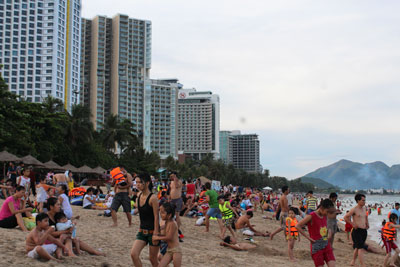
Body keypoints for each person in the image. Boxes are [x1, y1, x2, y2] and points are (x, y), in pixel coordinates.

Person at [295, 199, 336, 267]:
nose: (327, 213)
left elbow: (324, 226)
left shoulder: (325, 215)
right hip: (316, 246)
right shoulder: (311, 216)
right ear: (322, 208)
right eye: (327, 211)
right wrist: (308, 237)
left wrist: (329, 232)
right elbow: (297, 226)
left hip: (326, 244)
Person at [131, 173, 160, 267]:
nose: (138, 184)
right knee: (134, 254)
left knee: (153, 259)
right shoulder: (138, 195)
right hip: (142, 231)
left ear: (147, 183)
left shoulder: (153, 198)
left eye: (140, 182)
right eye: (136, 182)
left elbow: (156, 216)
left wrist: (156, 233)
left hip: (153, 232)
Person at [153, 202, 182, 267]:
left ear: (169, 215)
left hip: (176, 250)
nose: (161, 214)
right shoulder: (167, 222)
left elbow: (169, 237)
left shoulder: (172, 223)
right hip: (169, 250)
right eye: (160, 212)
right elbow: (163, 233)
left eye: (163, 213)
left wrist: (157, 238)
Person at [344, 193, 369, 267]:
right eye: (363, 200)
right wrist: (352, 224)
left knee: (358, 247)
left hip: (364, 231)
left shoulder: (364, 208)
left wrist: (367, 223)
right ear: (358, 201)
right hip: (357, 231)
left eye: (365, 200)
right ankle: (363, 265)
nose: (364, 202)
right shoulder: (354, 209)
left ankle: (353, 262)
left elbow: (365, 216)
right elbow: (346, 217)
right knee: (361, 248)